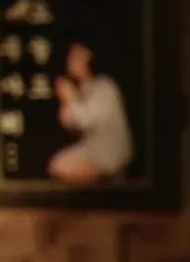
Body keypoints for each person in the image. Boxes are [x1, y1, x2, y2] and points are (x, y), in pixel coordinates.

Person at [49, 41, 133, 184]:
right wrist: (66, 101)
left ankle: (108, 179)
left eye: (76, 56)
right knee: (57, 164)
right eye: (71, 56)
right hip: (93, 148)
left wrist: (71, 98)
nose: (70, 60)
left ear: (88, 59)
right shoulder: (82, 88)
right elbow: (70, 124)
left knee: (62, 167)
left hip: (110, 150)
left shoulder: (104, 86)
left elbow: (86, 119)